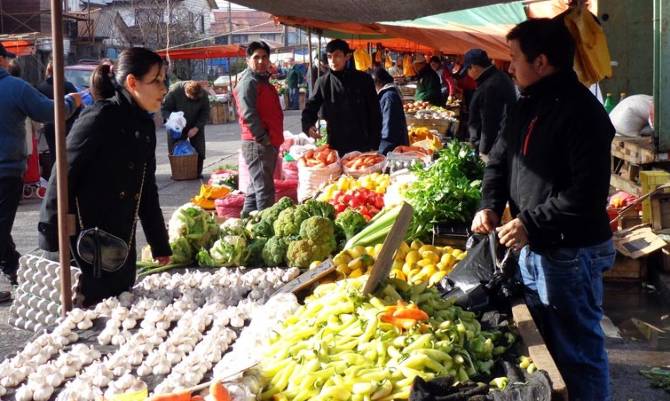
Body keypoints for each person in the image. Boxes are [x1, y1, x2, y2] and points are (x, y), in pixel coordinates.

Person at [470, 19, 615, 401]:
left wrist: (529, 222)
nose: (509, 66)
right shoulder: (525, 106)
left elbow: (587, 194)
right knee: (547, 348)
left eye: (515, 58)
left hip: (570, 252)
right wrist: (489, 205)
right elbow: (499, 161)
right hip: (534, 247)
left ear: (542, 61)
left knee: (578, 352)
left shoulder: (583, 113)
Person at [38, 47, 171, 307]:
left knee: (118, 311)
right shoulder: (99, 116)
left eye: (163, 80)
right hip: (86, 248)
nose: (164, 88)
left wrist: (159, 244)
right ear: (132, 82)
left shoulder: (144, 126)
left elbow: (146, 189)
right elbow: (62, 175)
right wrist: (50, 237)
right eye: (156, 80)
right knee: (89, 320)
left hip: (121, 245)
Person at [0, 43, 80, 298]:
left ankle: (16, 271)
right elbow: (49, 111)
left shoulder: (15, 87)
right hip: (6, 171)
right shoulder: (14, 87)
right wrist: (71, 102)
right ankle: (16, 271)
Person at [302, 39, 382, 156]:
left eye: (337, 56)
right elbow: (310, 107)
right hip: (336, 143)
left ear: (347, 56)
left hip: (362, 142)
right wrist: (308, 125)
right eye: (329, 57)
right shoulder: (323, 82)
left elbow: (374, 112)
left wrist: (374, 142)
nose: (333, 60)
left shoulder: (364, 80)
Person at [233, 41, 283, 216]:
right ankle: (265, 229)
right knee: (265, 190)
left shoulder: (262, 80)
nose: (261, 61)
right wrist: (263, 137)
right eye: (256, 57)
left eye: (264, 57)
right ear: (248, 60)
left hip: (266, 141)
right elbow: (247, 113)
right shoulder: (249, 82)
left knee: (256, 187)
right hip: (258, 143)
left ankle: (247, 223)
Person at [463, 48, 517, 157]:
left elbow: (490, 123)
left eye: (467, 70)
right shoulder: (497, 77)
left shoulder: (490, 85)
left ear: (474, 67)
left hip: (493, 149)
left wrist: (484, 151)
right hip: (498, 145)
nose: (468, 74)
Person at [37, 61, 81, 170]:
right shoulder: (67, 85)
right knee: (67, 153)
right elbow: (78, 105)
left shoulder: (41, 87)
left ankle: (55, 176)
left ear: (48, 71)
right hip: (67, 125)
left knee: (53, 153)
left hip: (49, 126)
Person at [162, 80, 211, 177]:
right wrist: (173, 119)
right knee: (175, 149)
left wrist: (196, 128)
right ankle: (178, 172)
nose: (193, 100)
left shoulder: (203, 94)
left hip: (195, 123)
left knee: (199, 147)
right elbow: (165, 109)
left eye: (196, 99)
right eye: (191, 98)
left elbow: (205, 113)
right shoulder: (175, 91)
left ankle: (196, 172)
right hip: (176, 125)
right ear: (185, 92)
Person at [371, 67, 408, 155]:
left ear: (378, 82)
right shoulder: (387, 95)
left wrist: (381, 153)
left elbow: (389, 130)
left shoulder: (388, 98)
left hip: (394, 151)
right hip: (394, 148)